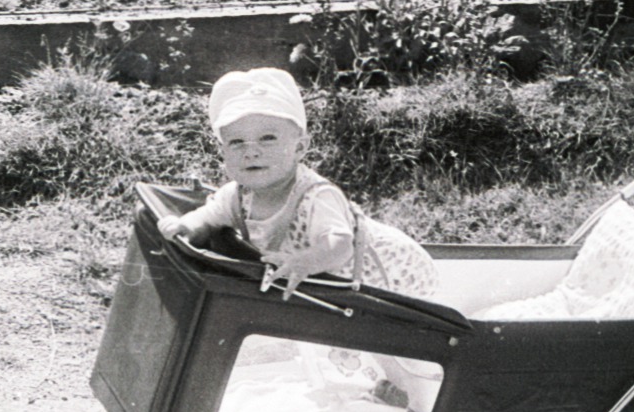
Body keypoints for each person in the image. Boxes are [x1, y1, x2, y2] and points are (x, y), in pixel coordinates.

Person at [156, 67, 438, 301]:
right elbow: (208, 217)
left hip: (390, 274)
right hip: (330, 288)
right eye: (237, 142)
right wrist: (185, 226)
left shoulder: (316, 197)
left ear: (300, 147)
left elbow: (340, 246)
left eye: (267, 138)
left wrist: (305, 262)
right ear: (223, 153)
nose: (251, 151)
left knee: (381, 336)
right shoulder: (236, 196)